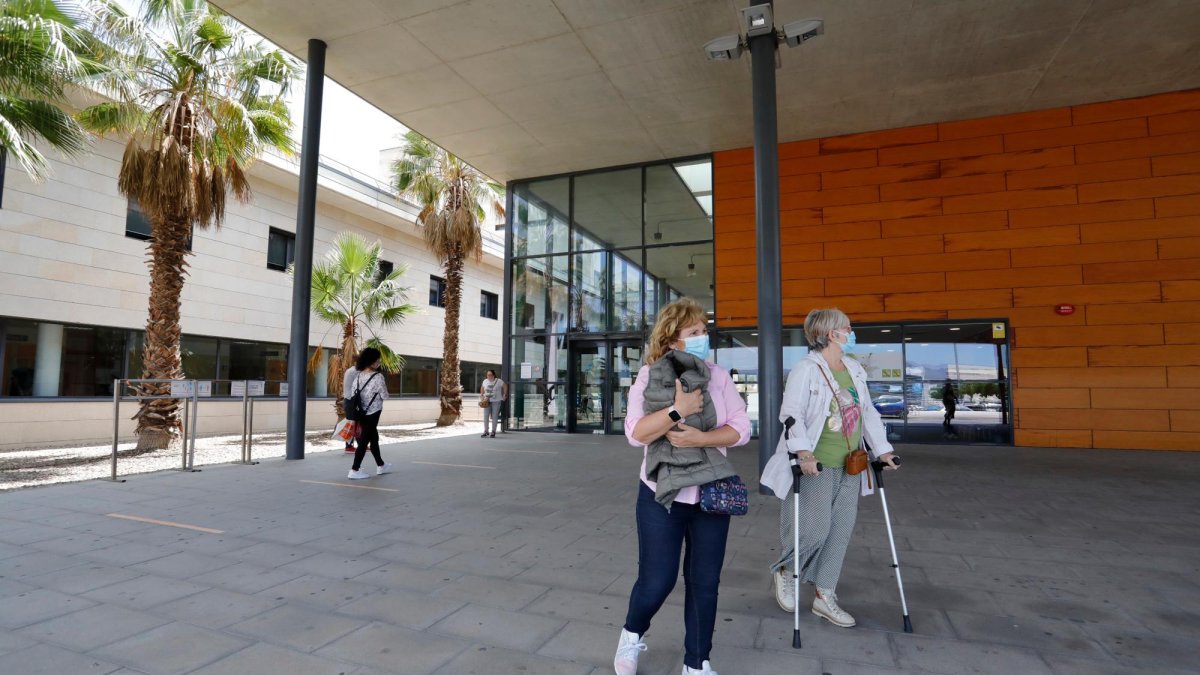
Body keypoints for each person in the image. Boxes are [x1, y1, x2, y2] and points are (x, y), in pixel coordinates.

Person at [613, 298, 751, 675]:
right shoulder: (649, 377)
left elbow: (742, 427)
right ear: (673, 341)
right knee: (657, 580)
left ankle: (696, 661)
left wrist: (700, 440)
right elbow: (635, 434)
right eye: (694, 332)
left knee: (705, 581)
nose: (703, 337)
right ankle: (631, 633)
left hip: (710, 491)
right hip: (661, 493)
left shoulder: (719, 377)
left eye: (705, 331)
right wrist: (678, 410)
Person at [760, 308, 899, 628]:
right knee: (815, 528)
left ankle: (825, 595)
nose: (851, 332)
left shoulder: (854, 369)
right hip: (816, 464)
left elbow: (868, 414)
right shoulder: (806, 369)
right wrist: (804, 452)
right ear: (830, 333)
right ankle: (787, 570)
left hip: (852, 462)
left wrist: (884, 451)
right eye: (847, 328)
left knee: (839, 532)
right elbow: (790, 413)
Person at [346, 347, 391, 480]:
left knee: (373, 437)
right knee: (365, 439)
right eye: (377, 360)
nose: (379, 362)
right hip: (374, 411)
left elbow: (354, 392)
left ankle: (381, 465)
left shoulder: (358, 376)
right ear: (371, 361)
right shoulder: (378, 376)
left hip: (361, 411)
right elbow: (385, 395)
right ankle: (355, 469)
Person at [480, 369, 507, 438]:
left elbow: (505, 386)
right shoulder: (485, 381)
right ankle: (486, 431)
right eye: (487, 375)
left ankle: (493, 431)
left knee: (494, 416)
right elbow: (482, 388)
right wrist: (482, 395)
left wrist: (504, 394)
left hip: (496, 401)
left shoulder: (498, 381)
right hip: (487, 401)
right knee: (486, 416)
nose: (489, 376)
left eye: (490, 375)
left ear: (493, 375)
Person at [342, 359, 359, 453]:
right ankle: (349, 446)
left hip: (349, 400)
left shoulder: (350, 370)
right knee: (352, 424)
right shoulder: (355, 371)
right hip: (351, 400)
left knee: (354, 423)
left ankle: (354, 445)